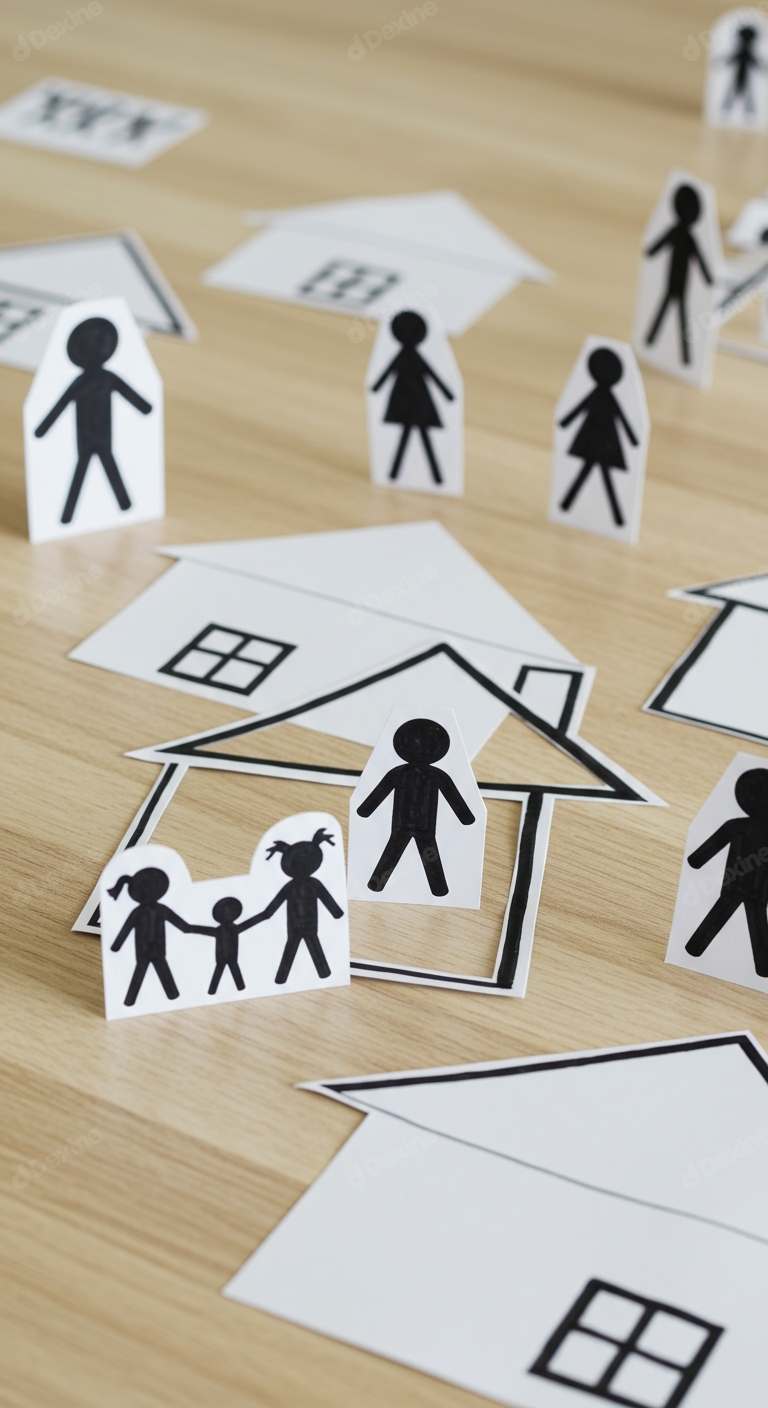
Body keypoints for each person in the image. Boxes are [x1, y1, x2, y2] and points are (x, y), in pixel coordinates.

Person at [34, 316, 152, 524]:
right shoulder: (83, 381)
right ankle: (71, 515)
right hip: (88, 436)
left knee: (101, 464)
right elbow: (61, 405)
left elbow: (132, 397)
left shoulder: (106, 379)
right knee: (87, 467)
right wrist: (42, 429)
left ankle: (118, 506)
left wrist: (145, 408)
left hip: (100, 435)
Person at [356, 718, 476, 896]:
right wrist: (466, 818)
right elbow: (454, 798)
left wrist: (365, 810)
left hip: (408, 825)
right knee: (424, 853)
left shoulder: (401, 773)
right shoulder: (435, 775)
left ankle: (378, 886)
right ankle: (439, 889)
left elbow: (378, 795)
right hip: (419, 826)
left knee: (398, 851)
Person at [685, 767, 768, 977]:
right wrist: (696, 861)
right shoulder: (735, 826)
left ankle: (694, 948)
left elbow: (700, 855)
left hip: (734, 883)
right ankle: (764, 966)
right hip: (759, 890)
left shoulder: (736, 826)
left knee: (721, 914)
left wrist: (696, 861)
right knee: (758, 924)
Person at [249, 828, 343, 984]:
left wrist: (337, 913)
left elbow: (270, 910)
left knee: (296, 946)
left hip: (298, 927)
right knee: (303, 944)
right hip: (304, 926)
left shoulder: (299, 885)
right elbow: (333, 908)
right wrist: (337, 913)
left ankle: (283, 978)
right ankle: (320, 973)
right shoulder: (309, 884)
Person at [370, 310, 454, 483]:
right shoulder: (407, 357)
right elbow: (430, 375)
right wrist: (447, 394)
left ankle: (427, 477)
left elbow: (430, 375)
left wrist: (448, 393)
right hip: (412, 402)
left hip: (412, 402)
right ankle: (430, 477)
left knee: (413, 436)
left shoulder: (409, 357)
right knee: (414, 437)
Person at [557, 347, 638, 526]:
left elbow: (620, 417)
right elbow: (582, 408)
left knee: (593, 473)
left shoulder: (604, 396)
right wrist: (632, 439)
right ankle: (616, 517)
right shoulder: (603, 395)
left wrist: (565, 422)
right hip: (600, 441)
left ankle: (567, 505)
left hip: (598, 441)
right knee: (598, 474)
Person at [643, 183, 713, 367]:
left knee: (678, 315)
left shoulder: (684, 235)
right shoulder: (679, 233)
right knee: (673, 312)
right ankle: (654, 344)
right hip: (675, 280)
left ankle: (680, 354)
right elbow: (660, 245)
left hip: (679, 281)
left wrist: (707, 277)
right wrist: (650, 252)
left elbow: (699, 258)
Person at [106, 867, 194, 1006]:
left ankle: (131, 1001)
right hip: (151, 951)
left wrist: (115, 947)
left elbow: (184, 927)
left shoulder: (143, 911)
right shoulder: (155, 910)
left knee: (145, 971)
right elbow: (184, 927)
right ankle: (171, 997)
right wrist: (115, 947)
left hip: (150, 952)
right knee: (147, 971)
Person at [194, 896, 263, 995]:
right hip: (222, 958)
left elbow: (255, 920)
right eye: (226, 912)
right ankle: (213, 991)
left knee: (233, 972)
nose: (228, 915)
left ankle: (238, 989)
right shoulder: (220, 930)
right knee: (220, 971)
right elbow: (197, 929)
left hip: (232, 958)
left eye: (230, 912)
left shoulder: (234, 928)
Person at [721, 25, 766, 116]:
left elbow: (752, 60)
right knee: (733, 90)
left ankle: (749, 111)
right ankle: (727, 108)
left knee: (748, 93)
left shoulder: (746, 53)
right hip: (739, 74)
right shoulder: (743, 52)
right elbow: (735, 58)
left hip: (746, 75)